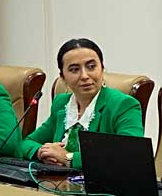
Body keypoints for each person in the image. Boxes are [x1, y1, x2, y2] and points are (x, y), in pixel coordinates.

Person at [20, 38, 144, 169]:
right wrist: (42, 152)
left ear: (102, 69)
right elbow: (26, 143)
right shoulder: (62, 103)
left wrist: (68, 158)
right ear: (63, 77)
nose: (84, 76)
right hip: (57, 179)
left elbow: (129, 155)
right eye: (74, 69)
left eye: (91, 67)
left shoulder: (123, 105)